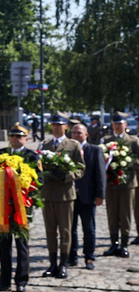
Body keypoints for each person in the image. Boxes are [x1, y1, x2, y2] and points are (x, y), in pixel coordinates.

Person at [37, 112, 85, 279]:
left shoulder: (73, 145)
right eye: (54, 124)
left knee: (65, 231)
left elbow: (80, 169)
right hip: (48, 194)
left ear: (66, 126)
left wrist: (66, 176)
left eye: (60, 124)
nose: (56, 127)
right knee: (50, 231)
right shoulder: (45, 144)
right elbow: (39, 166)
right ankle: (52, 263)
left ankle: (63, 263)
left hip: (65, 194)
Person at [0, 124, 38, 292]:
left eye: (19, 137)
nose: (15, 139)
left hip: (21, 207)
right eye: (12, 136)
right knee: (4, 244)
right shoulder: (1, 154)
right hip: (3, 205)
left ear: (26, 139)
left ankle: (21, 280)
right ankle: (4, 281)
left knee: (21, 243)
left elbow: (38, 181)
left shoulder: (31, 156)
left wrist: (27, 201)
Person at [101, 111, 139, 257]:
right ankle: (113, 243)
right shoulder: (106, 140)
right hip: (111, 183)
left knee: (125, 214)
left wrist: (126, 162)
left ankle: (124, 244)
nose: (117, 126)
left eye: (120, 124)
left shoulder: (133, 141)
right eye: (115, 124)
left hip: (128, 184)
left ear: (125, 125)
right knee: (112, 214)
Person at [68, 122, 105, 270]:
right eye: (74, 133)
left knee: (89, 229)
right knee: (70, 229)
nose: (76, 135)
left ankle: (89, 257)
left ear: (86, 135)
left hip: (88, 196)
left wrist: (100, 195)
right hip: (70, 196)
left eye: (79, 133)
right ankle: (72, 256)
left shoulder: (94, 150)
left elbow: (100, 174)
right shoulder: (67, 150)